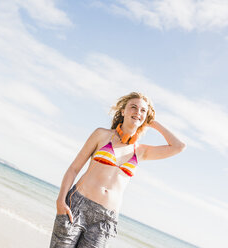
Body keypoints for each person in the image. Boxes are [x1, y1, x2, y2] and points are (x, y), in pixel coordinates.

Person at [49, 92, 186, 247]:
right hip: (77, 206)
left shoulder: (141, 151)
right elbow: (74, 168)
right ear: (123, 111)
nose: (137, 112)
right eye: (133, 107)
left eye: (143, 111)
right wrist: (60, 200)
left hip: (104, 220)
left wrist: (153, 123)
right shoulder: (101, 134)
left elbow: (178, 146)